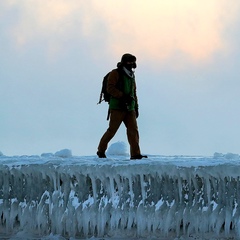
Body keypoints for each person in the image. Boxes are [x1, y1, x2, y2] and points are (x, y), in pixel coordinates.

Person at [97, 53, 147, 160]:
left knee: (133, 131)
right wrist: (122, 96)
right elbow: (110, 88)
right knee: (112, 130)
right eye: (130, 62)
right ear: (124, 62)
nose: (132, 64)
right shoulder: (115, 73)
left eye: (133, 62)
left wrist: (136, 107)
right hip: (117, 107)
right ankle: (101, 150)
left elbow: (134, 92)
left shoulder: (131, 75)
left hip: (130, 108)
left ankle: (135, 154)